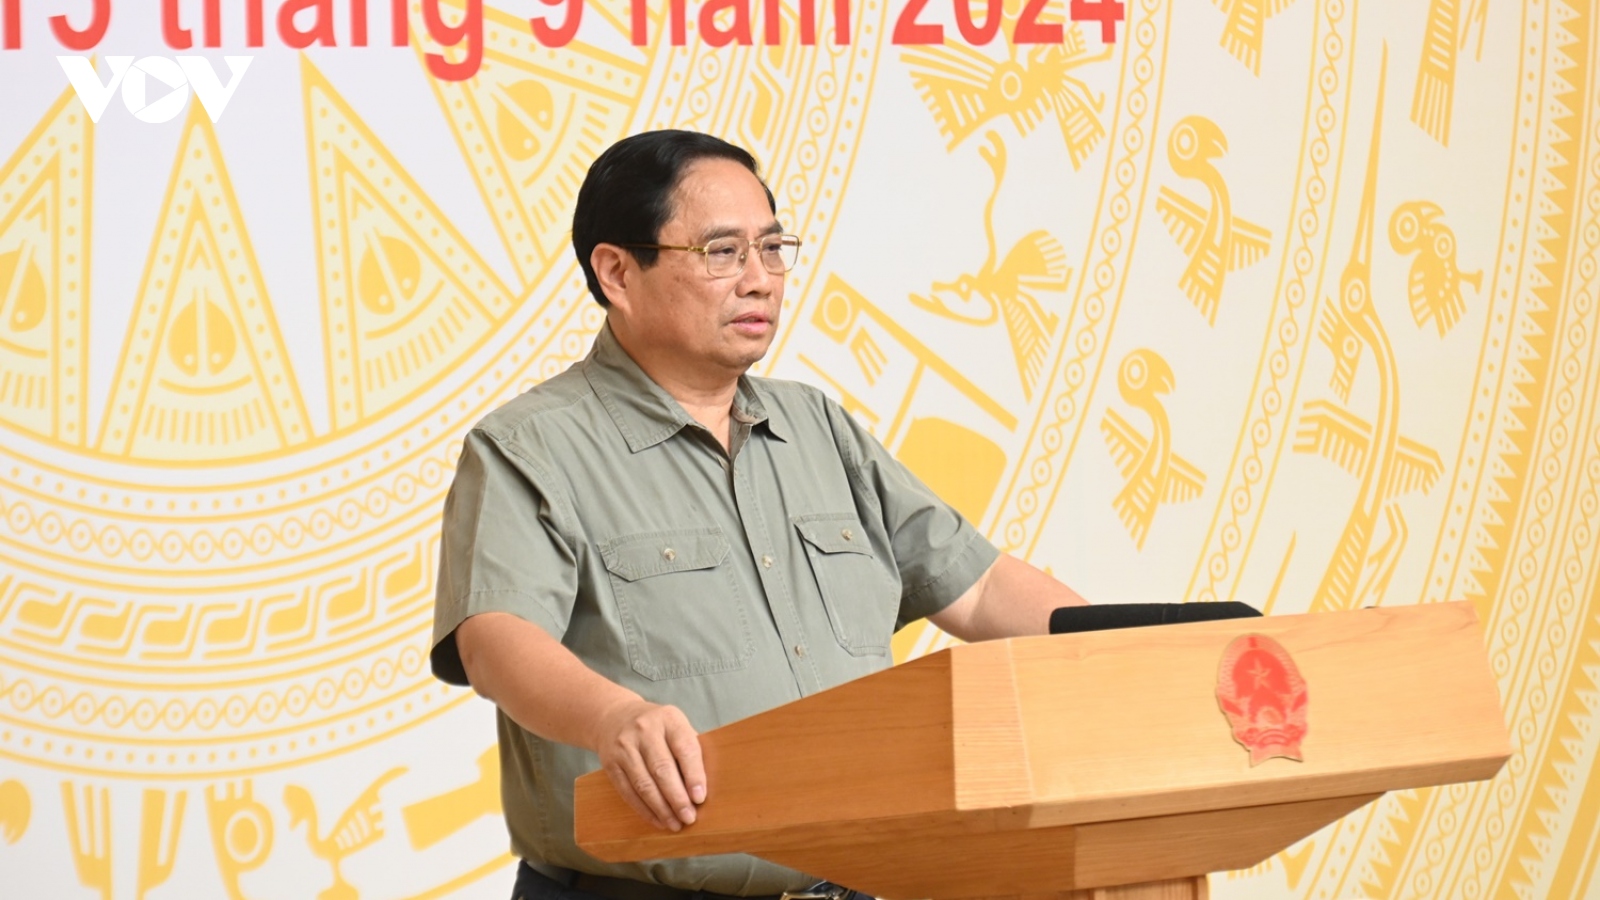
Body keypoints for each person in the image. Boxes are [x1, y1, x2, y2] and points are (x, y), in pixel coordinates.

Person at [429, 129, 1087, 900]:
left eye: (772, 249)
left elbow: (978, 590)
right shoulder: (531, 447)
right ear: (617, 272)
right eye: (722, 252)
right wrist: (614, 718)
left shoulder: (818, 428)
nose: (760, 281)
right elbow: (496, 639)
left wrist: (1132, 655)